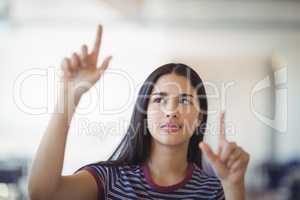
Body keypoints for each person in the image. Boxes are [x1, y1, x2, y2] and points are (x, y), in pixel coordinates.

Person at [28, 25, 250, 200]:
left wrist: (234, 187)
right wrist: (69, 97)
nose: (171, 111)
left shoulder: (214, 189)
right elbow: (43, 194)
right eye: (159, 100)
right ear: (144, 112)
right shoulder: (109, 180)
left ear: (200, 116)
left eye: (184, 101)